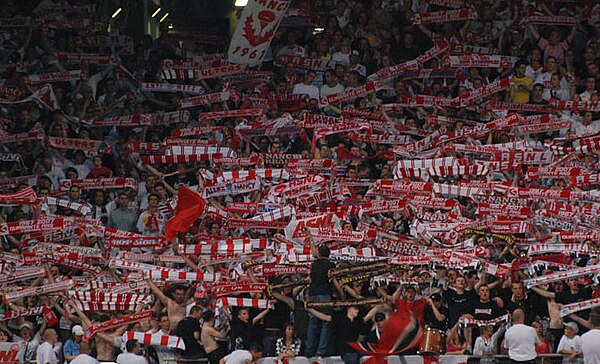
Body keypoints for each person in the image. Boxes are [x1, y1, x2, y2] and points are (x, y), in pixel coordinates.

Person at [305, 230, 336, 357]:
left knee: (313, 323)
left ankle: (309, 350)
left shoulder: (314, 264)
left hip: (313, 295)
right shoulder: (331, 265)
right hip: (324, 295)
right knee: (325, 323)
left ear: (318, 254)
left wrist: (310, 237)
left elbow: (313, 250)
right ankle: (321, 350)